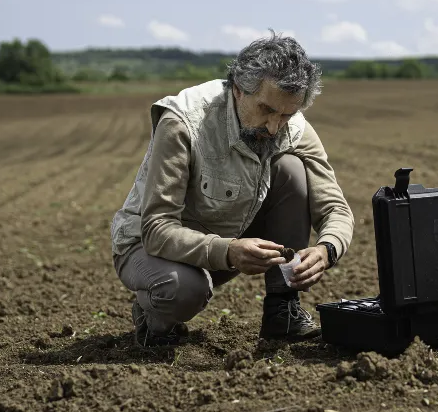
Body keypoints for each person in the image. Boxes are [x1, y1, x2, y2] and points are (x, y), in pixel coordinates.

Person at [109, 30, 354, 346]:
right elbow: (157, 229)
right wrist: (227, 250)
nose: (274, 126)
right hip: (149, 246)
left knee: (291, 168)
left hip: (225, 244)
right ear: (238, 89)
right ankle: (154, 319)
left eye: (287, 114)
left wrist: (327, 249)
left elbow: (335, 207)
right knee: (183, 289)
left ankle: (284, 312)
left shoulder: (292, 128)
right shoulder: (184, 122)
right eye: (266, 109)